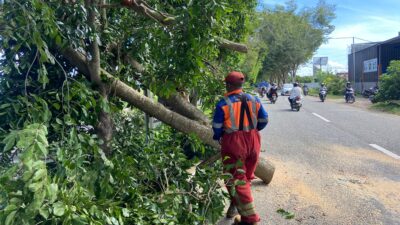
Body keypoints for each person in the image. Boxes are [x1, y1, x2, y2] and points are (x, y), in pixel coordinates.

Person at [212, 71, 268, 225]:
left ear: (229, 85)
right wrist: (253, 131)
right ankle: (237, 210)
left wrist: (219, 137)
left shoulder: (223, 103)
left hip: (234, 142)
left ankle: (250, 220)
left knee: (235, 179)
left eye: (226, 84)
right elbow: (264, 119)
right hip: (253, 140)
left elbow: (216, 127)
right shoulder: (255, 99)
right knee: (246, 177)